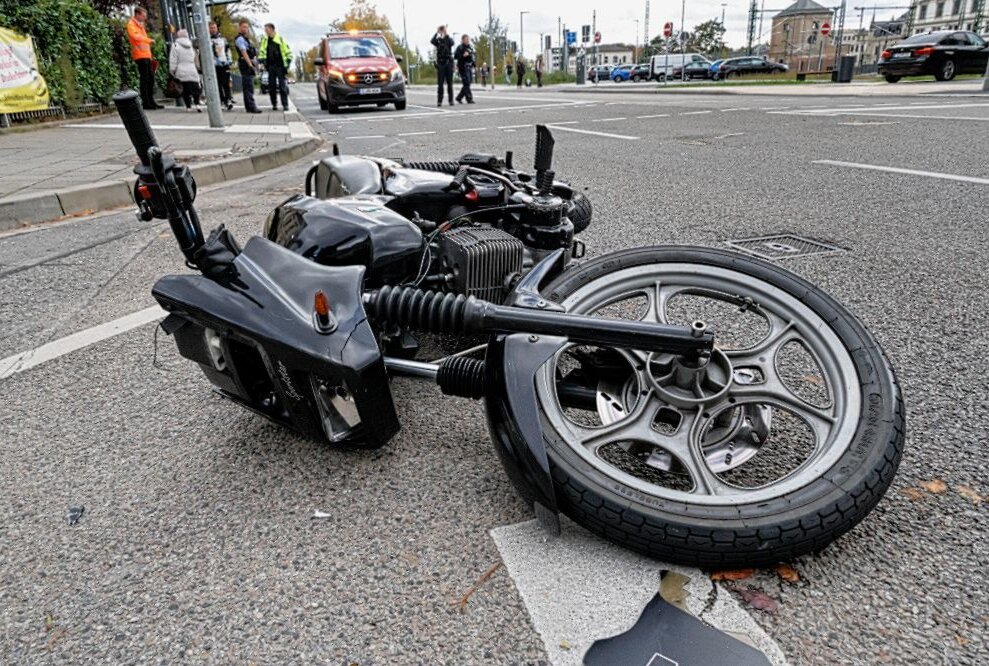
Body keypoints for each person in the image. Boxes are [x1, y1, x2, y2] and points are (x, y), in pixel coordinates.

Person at [127, 7, 161, 110]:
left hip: (146, 56)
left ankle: (151, 101)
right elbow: (136, 37)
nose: (145, 17)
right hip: (140, 56)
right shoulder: (131, 24)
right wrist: (149, 40)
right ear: (137, 14)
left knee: (150, 79)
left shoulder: (140, 25)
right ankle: (146, 103)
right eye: (143, 15)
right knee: (145, 79)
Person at [259, 23, 291, 111]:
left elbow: (288, 52)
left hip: (280, 66)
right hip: (270, 67)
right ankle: (274, 104)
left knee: (282, 87)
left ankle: (285, 105)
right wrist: (262, 61)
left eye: (267, 29)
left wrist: (287, 63)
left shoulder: (280, 39)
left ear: (272, 29)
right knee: (271, 87)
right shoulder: (265, 40)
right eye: (265, 30)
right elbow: (261, 52)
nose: (265, 31)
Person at [169, 29, 202, 112]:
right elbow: (195, 56)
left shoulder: (175, 45)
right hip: (192, 68)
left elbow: (173, 59)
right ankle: (197, 104)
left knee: (185, 89)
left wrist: (172, 70)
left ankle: (188, 106)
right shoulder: (191, 45)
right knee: (195, 87)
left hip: (181, 69)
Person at [234, 20, 263, 114]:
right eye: (243, 27)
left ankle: (249, 107)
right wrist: (250, 65)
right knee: (249, 86)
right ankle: (252, 106)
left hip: (248, 63)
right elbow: (243, 52)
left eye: (247, 27)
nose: (245, 29)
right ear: (239, 28)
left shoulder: (245, 39)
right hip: (245, 64)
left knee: (248, 86)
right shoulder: (240, 39)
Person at [209, 22, 234, 110]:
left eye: (214, 28)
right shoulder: (207, 41)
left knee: (226, 83)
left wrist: (229, 60)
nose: (213, 30)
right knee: (218, 84)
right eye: (211, 28)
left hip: (224, 64)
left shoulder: (223, 39)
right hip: (214, 66)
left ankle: (229, 99)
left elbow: (228, 50)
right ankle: (222, 101)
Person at [431, 26, 454, 107]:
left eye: (443, 30)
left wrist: (446, 34)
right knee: (440, 84)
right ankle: (439, 101)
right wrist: (437, 32)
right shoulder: (438, 40)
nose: (442, 31)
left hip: (448, 63)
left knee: (450, 83)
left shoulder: (448, 39)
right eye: (442, 30)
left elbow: (452, 43)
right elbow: (432, 41)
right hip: (441, 63)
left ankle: (451, 100)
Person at [454, 34, 475, 104]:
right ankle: (469, 98)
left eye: (468, 39)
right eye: (466, 39)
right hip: (462, 67)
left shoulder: (470, 47)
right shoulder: (460, 47)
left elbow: (472, 56)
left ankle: (459, 97)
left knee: (468, 83)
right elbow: (455, 56)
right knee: (466, 82)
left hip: (469, 67)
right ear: (463, 40)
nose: (467, 41)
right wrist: (463, 55)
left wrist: (474, 64)